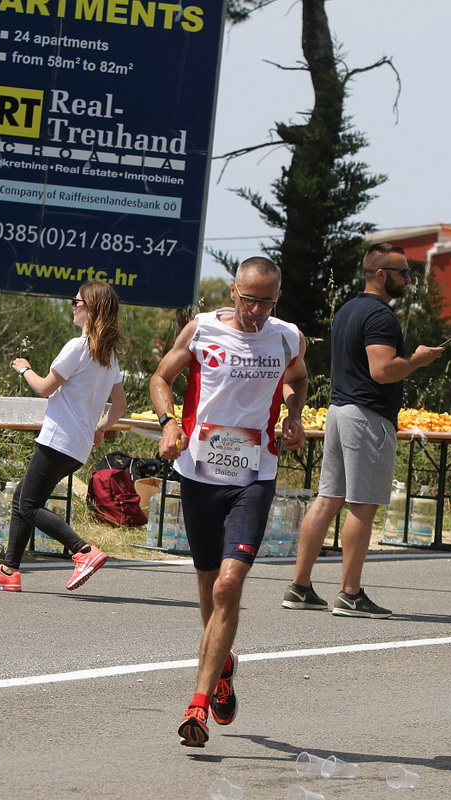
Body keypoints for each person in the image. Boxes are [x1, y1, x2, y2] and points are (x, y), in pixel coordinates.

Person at [150, 257, 308, 747]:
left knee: (227, 584)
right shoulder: (201, 331)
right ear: (233, 290)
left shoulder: (287, 337)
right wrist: (168, 422)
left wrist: (293, 417)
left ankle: (195, 705)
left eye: (266, 301)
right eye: (247, 298)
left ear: (277, 298)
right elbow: (160, 379)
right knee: (206, 584)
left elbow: (299, 380)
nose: (255, 310)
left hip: (253, 475)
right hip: (198, 471)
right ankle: (221, 669)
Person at [283, 242, 444, 619]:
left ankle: (300, 587)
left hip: (339, 411)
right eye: (403, 272)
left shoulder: (347, 310)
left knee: (327, 500)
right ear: (381, 274)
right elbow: (382, 370)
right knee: (362, 504)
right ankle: (350, 594)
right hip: (368, 416)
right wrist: (417, 361)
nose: (409, 278)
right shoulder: (380, 317)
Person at [0, 280, 127, 593]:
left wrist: (23, 368)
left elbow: (45, 387)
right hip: (79, 444)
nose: (73, 306)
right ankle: (8, 570)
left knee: (28, 505)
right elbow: (121, 406)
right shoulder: (108, 356)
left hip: (59, 438)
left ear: (92, 309)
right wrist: (99, 428)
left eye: (78, 302)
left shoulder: (78, 347)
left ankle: (84, 551)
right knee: (23, 498)